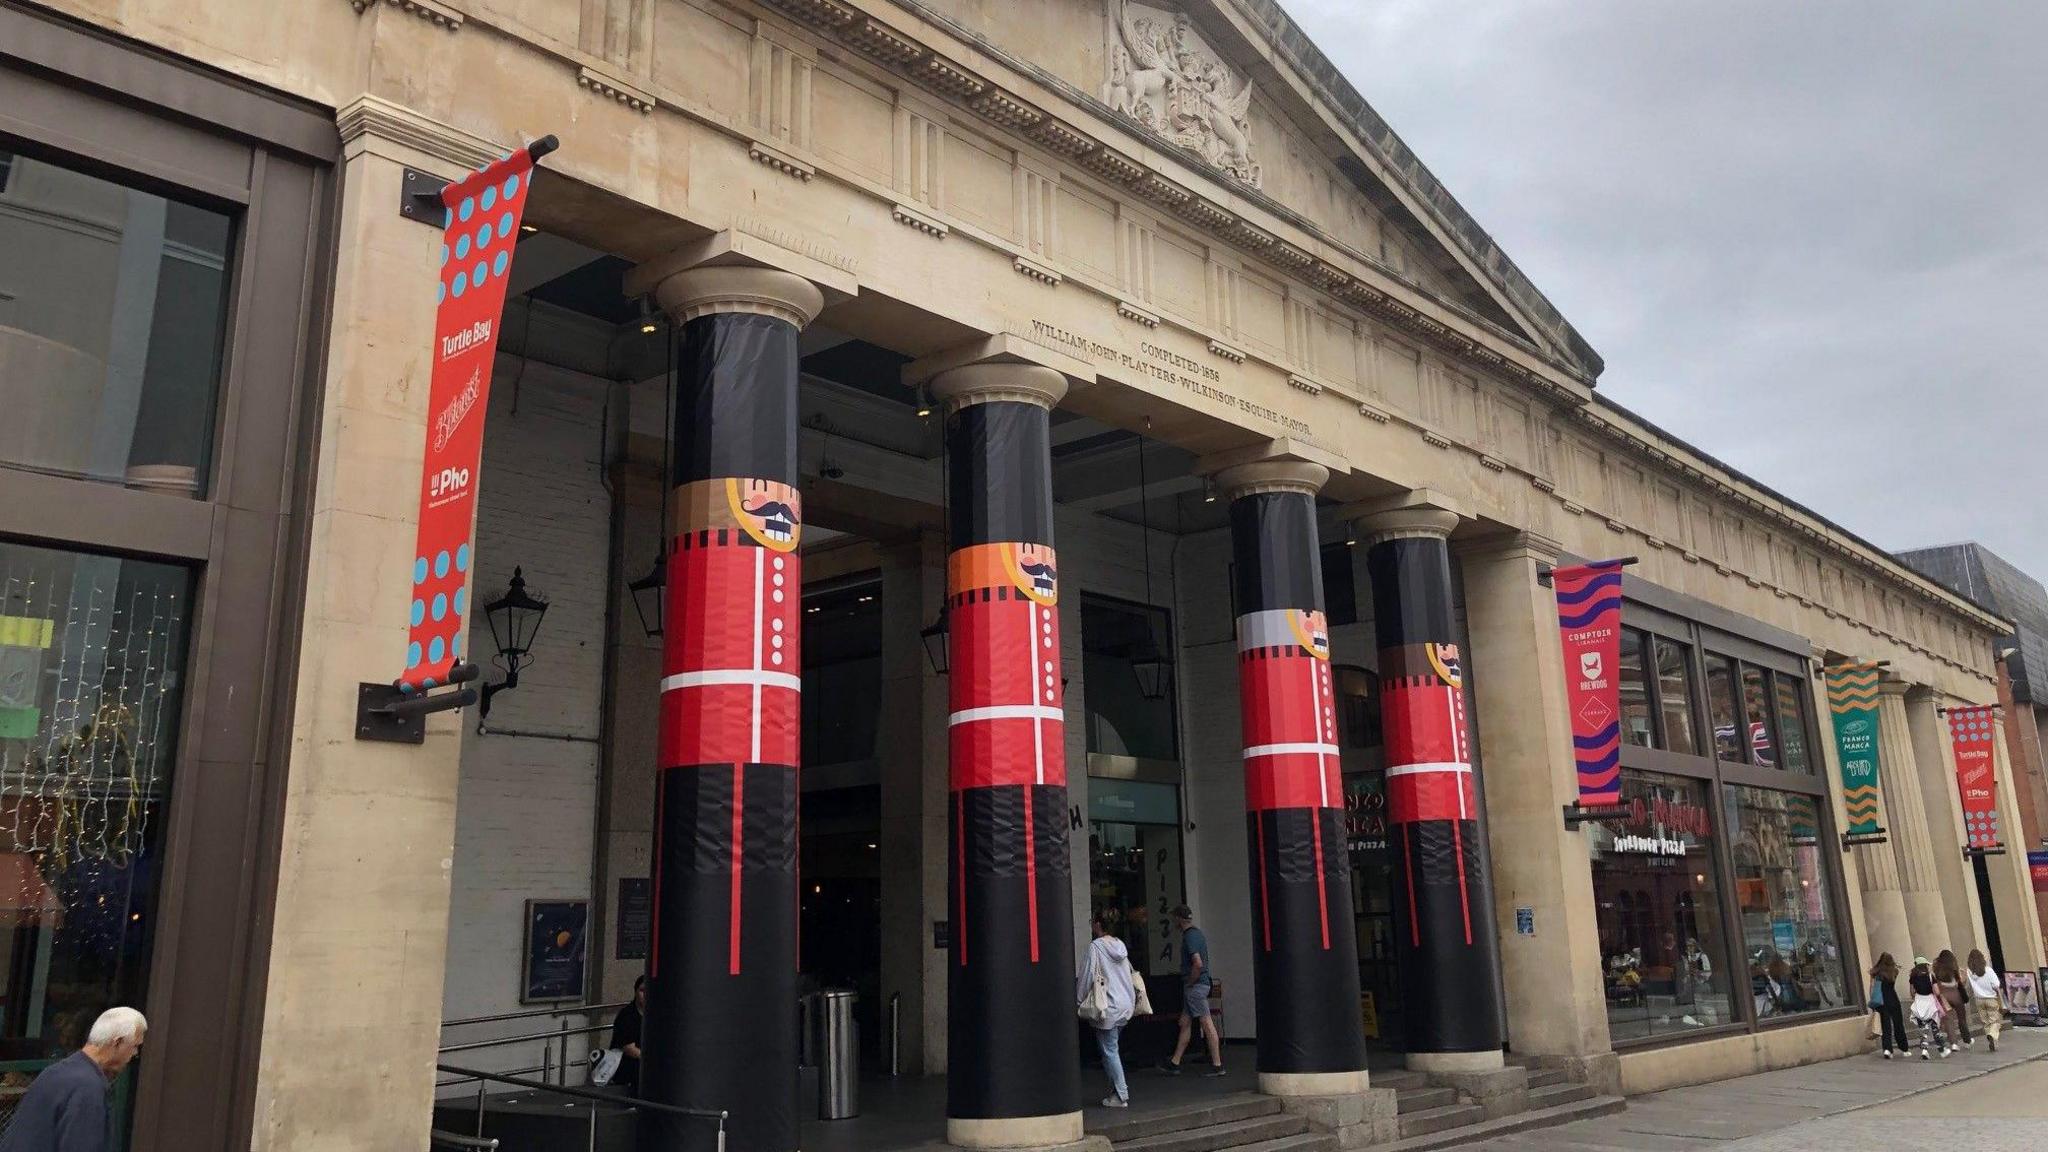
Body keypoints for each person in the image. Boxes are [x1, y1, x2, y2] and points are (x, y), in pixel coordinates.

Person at [0, 1006, 146, 1152]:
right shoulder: (88, 1087)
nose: (135, 1053)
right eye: (135, 1046)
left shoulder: (55, 1072)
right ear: (117, 1042)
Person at [1077, 917, 1138, 1108]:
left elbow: (1087, 975)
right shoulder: (1120, 946)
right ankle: (1115, 1093)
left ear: (1098, 925)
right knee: (1111, 1049)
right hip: (1124, 1003)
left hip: (1107, 1005)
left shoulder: (1096, 947)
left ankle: (1121, 1094)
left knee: (1110, 1051)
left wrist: (1079, 1000)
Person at [1160, 904, 1225, 1077]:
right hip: (1198, 985)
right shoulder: (1198, 934)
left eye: (1175, 917)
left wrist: (1190, 982)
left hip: (1195, 986)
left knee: (1206, 1023)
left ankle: (1218, 1065)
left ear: (1179, 919)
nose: (1173, 920)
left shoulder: (1189, 937)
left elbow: (1197, 963)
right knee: (1185, 1023)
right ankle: (1175, 1062)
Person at [1907, 956, 1949, 1060]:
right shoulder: (1931, 976)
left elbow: (1912, 992)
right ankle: (1942, 1050)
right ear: (1925, 965)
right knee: (1935, 1027)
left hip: (1919, 1002)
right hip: (1930, 1002)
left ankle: (1924, 1050)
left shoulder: (1913, 977)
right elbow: (1937, 992)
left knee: (1923, 1029)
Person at [609, 975, 647, 1091]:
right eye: (642, 990)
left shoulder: (655, 1014)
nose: (645, 995)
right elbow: (629, 1049)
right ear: (635, 992)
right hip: (625, 1062)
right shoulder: (627, 1015)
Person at [1869, 953, 1907, 1060]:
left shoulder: (1876, 973)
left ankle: (1887, 1050)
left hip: (1881, 1001)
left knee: (1886, 1026)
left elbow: (1872, 987)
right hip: (1893, 999)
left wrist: (1873, 1001)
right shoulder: (1894, 971)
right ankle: (1904, 1047)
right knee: (1898, 1024)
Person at [1932, 950, 1971, 1049]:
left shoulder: (1936, 968)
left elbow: (1935, 982)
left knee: (1949, 1020)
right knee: (1962, 1018)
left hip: (1944, 995)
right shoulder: (1954, 968)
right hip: (1955, 994)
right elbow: (1959, 983)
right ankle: (1967, 1040)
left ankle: (1953, 1043)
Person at [1965, 949, 2003, 1052]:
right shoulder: (1988, 970)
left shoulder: (1969, 972)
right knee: (1995, 1020)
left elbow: (1968, 986)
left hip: (1979, 999)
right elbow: (1996, 985)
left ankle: (1993, 1041)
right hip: (1991, 998)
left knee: (1986, 1022)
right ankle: (1992, 1035)